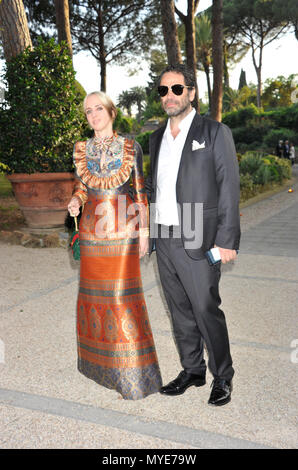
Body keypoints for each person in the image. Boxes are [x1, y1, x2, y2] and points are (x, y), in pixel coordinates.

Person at [146, 64, 241, 407]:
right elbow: (153, 188)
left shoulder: (214, 132)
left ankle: (223, 376)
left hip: (198, 233)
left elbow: (229, 187)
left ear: (191, 92)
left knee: (204, 308)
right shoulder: (156, 138)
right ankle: (192, 370)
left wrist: (227, 240)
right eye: (163, 90)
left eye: (176, 89)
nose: (169, 96)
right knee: (179, 309)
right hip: (165, 235)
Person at [67, 91, 162, 400]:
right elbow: (82, 187)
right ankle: (98, 368)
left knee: (121, 298)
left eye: (98, 108)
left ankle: (134, 377)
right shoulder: (80, 149)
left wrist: (145, 232)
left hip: (123, 232)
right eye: (88, 111)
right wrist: (75, 200)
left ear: (111, 111)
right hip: (92, 234)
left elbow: (139, 192)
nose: (93, 115)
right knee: (95, 298)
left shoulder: (131, 147)